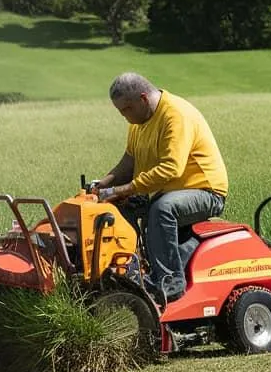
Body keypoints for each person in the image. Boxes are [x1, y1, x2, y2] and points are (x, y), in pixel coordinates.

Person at [93, 72, 228, 304]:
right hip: (165, 191)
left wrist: (125, 188)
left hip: (205, 191)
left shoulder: (175, 115)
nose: (124, 116)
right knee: (115, 209)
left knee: (162, 209)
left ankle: (171, 283)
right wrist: (104, 184)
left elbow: (170, 170)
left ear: (143, 99)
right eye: (120, 111)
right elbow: (130, 160)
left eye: (126, 109)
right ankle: (133, 272)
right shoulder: (139, 122)